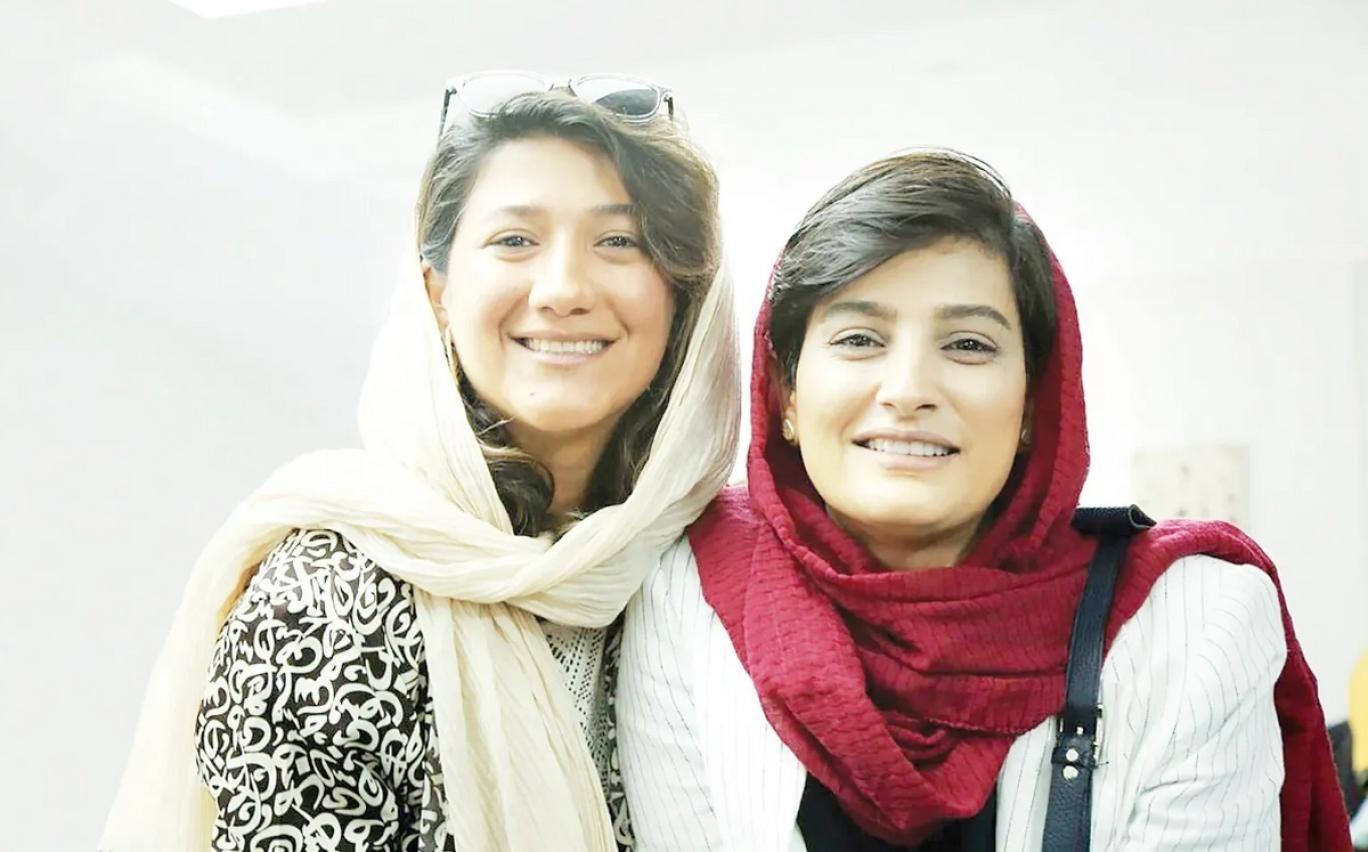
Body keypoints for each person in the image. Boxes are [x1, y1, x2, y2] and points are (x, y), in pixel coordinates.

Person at [617, 149, 1350, 850]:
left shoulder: (1196, 620)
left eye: (968, 345)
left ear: (1033, 405)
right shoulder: (689, 590)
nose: (908, 390)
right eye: (860, 338)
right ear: (786, 395)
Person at [99, 73, 740, 852]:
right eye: (515, 240)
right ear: (437, 291)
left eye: (619, 242)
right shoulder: (331, 598)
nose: (564, 289)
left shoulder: (711, 575)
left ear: (680, 296)